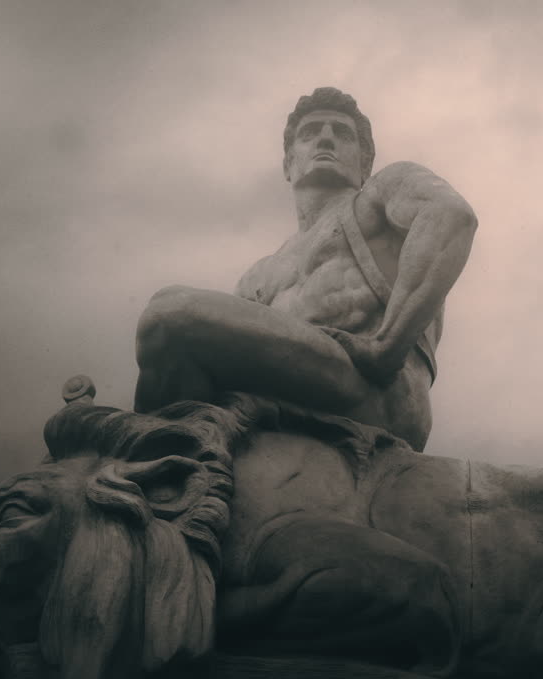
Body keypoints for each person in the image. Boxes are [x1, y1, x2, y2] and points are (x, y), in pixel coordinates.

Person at [134, 88, 476, 451]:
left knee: (170, 314)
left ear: (365, 162)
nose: (325, 137)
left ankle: (152, 460)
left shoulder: (380, 196)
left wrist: (387, 346)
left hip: (373, 390)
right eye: (310, 132)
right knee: (169, 323)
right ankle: (166, 471)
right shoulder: (259, 276)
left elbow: (451, 216)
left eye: (342, 133)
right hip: (298, 392)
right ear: (288, 163)